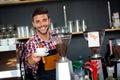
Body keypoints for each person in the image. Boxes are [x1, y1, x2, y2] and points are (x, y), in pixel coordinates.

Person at [24, 7, 60, 80]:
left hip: (59, 76)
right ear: (33, 24)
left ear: (49, 21)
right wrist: (31, 60)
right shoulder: (32, 42)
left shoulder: (55, 35)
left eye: (44, 20)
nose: (42, 24)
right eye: (38, 22)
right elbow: (29, 64)